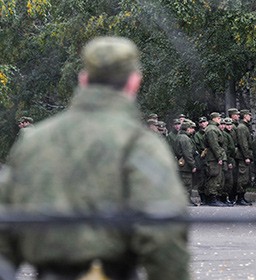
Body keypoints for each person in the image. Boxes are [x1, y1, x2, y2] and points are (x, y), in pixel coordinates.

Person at [0, 36, 190, 280]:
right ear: (134, 83)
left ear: (83, 80)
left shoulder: (33, 140)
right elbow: (164, 233)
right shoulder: (139, 144)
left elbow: (5, 227)